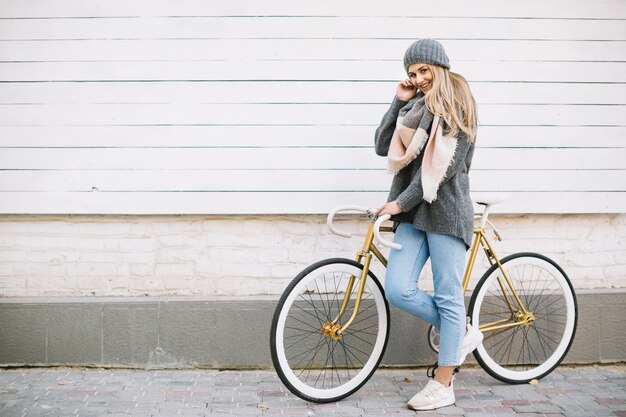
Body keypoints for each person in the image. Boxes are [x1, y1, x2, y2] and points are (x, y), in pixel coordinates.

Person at [374, 39, 484, 411]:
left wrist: (396, 203)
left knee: (450, 296)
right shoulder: (415, 107)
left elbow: (440, 172)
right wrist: (398, 101)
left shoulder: (459, 109)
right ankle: (462, 331)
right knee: (398, 289)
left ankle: (444, 382)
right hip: (413, 215)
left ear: (439, 68)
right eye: (412, 73)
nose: (418, 78)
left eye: (424, 70)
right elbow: (381, 145)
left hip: (445, 213)